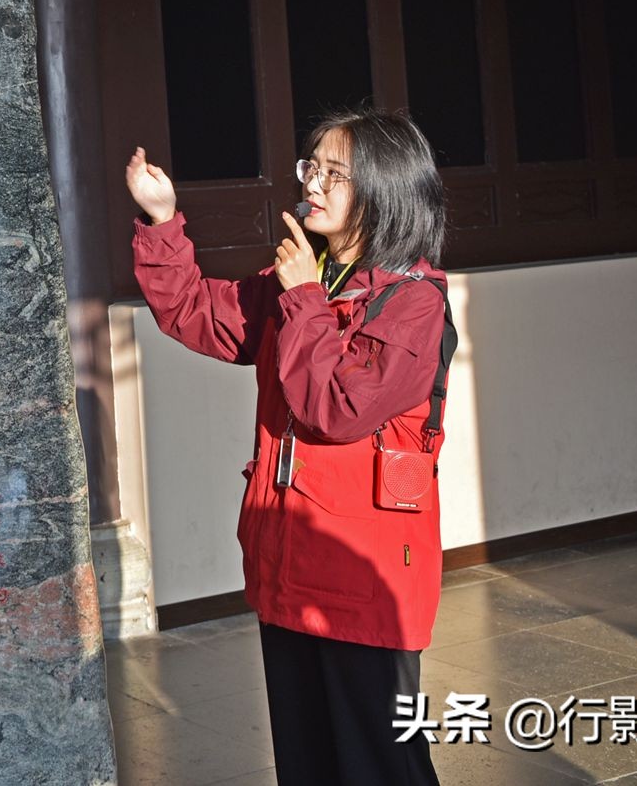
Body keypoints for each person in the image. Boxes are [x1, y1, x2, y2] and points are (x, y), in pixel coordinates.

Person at [125, 107, 451, 786]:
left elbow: (338, 408)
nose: (316, 184)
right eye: (314, 167)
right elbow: (198, 312)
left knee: (379, 763)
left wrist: (303, 296)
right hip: (290, 560)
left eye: (338, 173)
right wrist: (163, 221)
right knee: (308, 761)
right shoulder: (308, 278)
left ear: (386, 190)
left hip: (363, 577)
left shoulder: (412, 303)